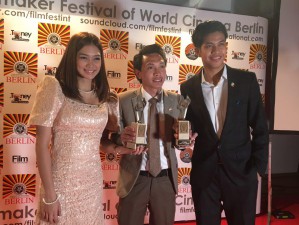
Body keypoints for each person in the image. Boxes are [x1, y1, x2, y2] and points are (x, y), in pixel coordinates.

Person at [28, 32, 129, 224]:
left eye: (96, 59)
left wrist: (118, 148)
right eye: (84, 57)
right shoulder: (54, 88)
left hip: (92, 181)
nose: (91, 65)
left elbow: (101, 141)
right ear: (72, 58)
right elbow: (41, 146)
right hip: (61, 183)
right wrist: (50, 195)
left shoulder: (107, 97)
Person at [180, 20, 269, 225]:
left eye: (221, 43)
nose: (216, 50)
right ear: (198, 50)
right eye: (209, 45)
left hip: (241, 172)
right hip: (205, 175)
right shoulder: (188, 88)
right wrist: (181, 135)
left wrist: (257, 168)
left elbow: (260, 127)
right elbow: (189, 127)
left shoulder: (246, 81)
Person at [113, 44, 196, 225]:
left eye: (161, 66)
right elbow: (113, 135)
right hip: (134, 178)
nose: (158, 72)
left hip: (165, 179)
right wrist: (123, 138)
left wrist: (184, 141)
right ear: (138, 73)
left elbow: (178, 141)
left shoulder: (177, 101)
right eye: (150, 67)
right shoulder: (123, 100)